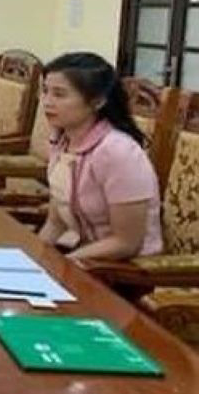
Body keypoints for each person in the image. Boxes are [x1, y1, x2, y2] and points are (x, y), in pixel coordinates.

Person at [37, 52, 163, 260]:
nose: (47, 102)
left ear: (97, 102)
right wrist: (34, 257)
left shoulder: (118, 151)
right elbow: (55, 223)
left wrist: (65, 264)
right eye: (45, 91)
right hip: (81, 252)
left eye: (59, 94)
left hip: (124, 267)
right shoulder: (62, 140)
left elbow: (126, 243)